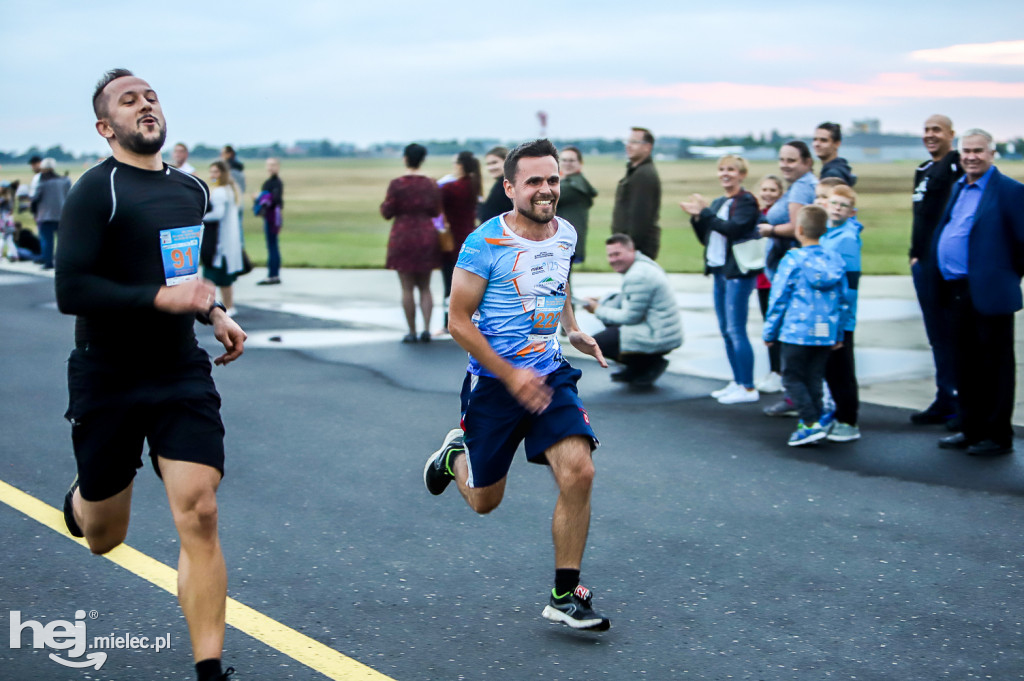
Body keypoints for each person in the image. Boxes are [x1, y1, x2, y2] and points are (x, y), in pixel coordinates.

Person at [55, 68, 246, 681]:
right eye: (128, 100)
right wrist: (159, 300)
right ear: (106, 127)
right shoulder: (96, 191)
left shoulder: (191, 189)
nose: (145, 105)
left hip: (177, 370)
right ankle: (83, 500)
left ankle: (210, 670)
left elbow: (182, 275)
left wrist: (213, 310)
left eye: (151, 96)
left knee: (201, 510)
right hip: (107, 375)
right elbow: (72, 288)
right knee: (105, 536)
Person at [422, 139, 611, 631]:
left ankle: (565, 593)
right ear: (510, 188)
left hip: (549, 373)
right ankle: (453, 456)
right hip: (493, 384)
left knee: (580, 472)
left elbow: (558, 280)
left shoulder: (564, 232)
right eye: (534, 182)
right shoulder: (484, 243)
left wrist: (571, 328)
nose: (546, 190)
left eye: (552, 179)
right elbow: (458, 322)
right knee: (486, 501)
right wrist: (510, 374)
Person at [932, 129, 1024, 457]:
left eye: (978, 151)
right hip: (957, 291)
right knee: (964, 363)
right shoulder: (959, 187)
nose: (971, 156)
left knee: (995, 367)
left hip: (989, 292)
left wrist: (1004, 275)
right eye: (965, 151)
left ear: (992, 153)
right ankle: (970, 429)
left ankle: (997, 436)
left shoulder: (1011, 191)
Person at [763, 205, 849, 447]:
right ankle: (813, 421)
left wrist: (770, 331)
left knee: (792, 377)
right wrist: (839, 332)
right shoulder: (835, 260)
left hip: (797, 329)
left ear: (798, 230)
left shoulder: (793, 261)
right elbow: (843, 300)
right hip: (824, 330)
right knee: (814, 376)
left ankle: (810, 422)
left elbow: (779, 298)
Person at [682, 154, 761, 404]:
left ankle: (748, 386)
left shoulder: (746, 201)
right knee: (727, 330)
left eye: (731, 170)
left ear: (742, 174)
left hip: (737, 272)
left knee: (736, 329)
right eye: (722, 169)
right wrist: (697, 217)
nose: (725, 173)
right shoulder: (718, 202)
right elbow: (707, 236)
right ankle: (737, 381)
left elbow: (733, 229)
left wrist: (705, 213)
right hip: (719, 271)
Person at [908, 115, 963, 427]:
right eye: (926, 130)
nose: (930, 135)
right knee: (936, 336)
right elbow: (921, 218)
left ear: (950, 135)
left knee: (950, 334)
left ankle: (956, 399)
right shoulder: (923, 171)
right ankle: (945, 397)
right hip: (923, 265)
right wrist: (914, 255)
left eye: (936, 130)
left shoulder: (954, 166)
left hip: (944, 267)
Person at [758, 141, 818, 417]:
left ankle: (800, 402)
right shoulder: (798, 185)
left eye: (791, 160)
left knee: (791, 345)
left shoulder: (803, 186)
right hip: (785, 270)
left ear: (806, 162)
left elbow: (797, 228)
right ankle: (800, 398)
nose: (785, 165)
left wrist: (769, 229)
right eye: (782, 159)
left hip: (792, 273)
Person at [583, 233, 682, 386]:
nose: (613, 260)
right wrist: (601, 301)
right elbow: (628, 300)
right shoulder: (642, 265)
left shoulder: (637, 275)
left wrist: (597, 309)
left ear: (632, 251)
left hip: (659, 335)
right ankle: (637, 366)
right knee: (610, 323)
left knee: (597, 342)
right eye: (610, 255)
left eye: (617, 254)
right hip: (659, 328)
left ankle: (650, 364)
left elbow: (630, 317)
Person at [380, 143, 442, 342]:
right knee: (425, 286)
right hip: (426, 234)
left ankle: (412, 331)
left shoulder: (397, 184)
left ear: (405, 158)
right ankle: (426, 329)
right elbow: (435, 211)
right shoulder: (431, 184)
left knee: (406, 288)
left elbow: (387, 212)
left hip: (403, 235)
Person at [820, 184, 863, 441]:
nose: (837, 208)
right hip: (827, 314)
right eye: (834, 203)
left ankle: (848, 420)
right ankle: (837, 415)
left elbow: (850, 283)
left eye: (843, 205)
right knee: (830, 368)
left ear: (852, 211)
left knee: (842, 368)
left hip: (840, 317)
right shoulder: (828, 234)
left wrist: (842, 320)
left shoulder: (846, 238)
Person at [439, 151, 482, 331]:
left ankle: (448, 323)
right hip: (470, 238)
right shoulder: (474, 186)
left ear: (460, 165)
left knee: (449, 285)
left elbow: (435, 199)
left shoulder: (451, 188)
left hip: (453, 240)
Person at [753, 175, 785, 393]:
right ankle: (775, 371)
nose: (768, 194)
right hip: (762, 281)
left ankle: (782, 372)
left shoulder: (782, 218)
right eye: (764, 190)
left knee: (781, 327)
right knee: (770, 327)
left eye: (773, 190)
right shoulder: (758, 216)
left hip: (777, 280)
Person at [612, 127, 661, 259]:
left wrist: (629, 248)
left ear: (647, 147)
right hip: (630, 247)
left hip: (637, 250)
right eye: (628, 142)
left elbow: (640, 217)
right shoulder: (635, 172)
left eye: (634, 142)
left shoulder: (643, 174)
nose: (629, 146)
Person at [203, 160, 244, 316]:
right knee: (225, 279)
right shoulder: (231, 189)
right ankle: (229, 305)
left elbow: (217, 214)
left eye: (216, 172)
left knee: (213, 277)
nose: (213, 175)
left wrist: (200, 217)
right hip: (229, 241)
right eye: (211, 171)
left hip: (219, 241)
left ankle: (212, 308)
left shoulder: (220, 191)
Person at [556, 146, 597, 265]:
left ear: (580, 163)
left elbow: (548, 196)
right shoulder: (576, 182)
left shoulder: (573, 186)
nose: (567, 164)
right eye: (564, 160)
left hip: (565, 242)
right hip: (566, 240)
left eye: (571, 160)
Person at [30, 157, 72, 269]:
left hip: (45, 215)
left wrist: (33, 211)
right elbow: (70, 196)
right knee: (63, 241)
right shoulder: (65, 180)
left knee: (47, 241)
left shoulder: (42, 182)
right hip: (62, 214)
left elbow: (35, 198)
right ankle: (64, 262)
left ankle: (48, 262)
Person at [256, 157, 283, 285]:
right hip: (271, 217)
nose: (271, 167)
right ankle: (273, 273)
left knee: (272, 246)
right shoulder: (272, 182)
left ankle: (273, 275)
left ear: (278, 166)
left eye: (273, 165)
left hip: (272, 218)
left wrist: (260, 197)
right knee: (272, 245)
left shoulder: (275, 183)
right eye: (269, 165)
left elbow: (274, 200)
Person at [476, 146, 512, 223]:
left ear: (507, 161)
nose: (490, 168)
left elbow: (490, 215)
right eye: (488, 164)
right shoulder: (502, 183)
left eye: (494, 163)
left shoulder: (506, 185)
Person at [813, 122, 856, 186]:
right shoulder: (838, 169)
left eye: (823, 140)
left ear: (837, 144)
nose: (817, 144)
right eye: (815, 139)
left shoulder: (832, 175)